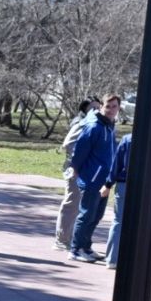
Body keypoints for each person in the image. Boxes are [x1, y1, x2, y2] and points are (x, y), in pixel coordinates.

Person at [103, 133, 151, 269]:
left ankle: (112, 259)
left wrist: (108, 183)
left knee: (119, 221)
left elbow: (117, 162)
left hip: (124, 184)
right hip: (148, 186)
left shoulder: (127, 139)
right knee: (143, 223)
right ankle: (136, 260)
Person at [69, 94, 120, 263]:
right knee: (87, 214)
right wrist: (75, 168)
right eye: (108, 106)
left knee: (96, 215)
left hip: (104, 181)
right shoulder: (94, 126)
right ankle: (75, 249)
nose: (111, 110)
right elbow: (80, 150)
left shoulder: (110, 127)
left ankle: (86, 246)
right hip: (91, 178)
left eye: (114, 106)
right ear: (101, 107)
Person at [54, 97, 102, 251]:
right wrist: (78, 160)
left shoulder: (95, 123)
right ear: (85, 109)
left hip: (87, 170)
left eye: (98, 107)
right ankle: (62, 240)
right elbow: (68, 144)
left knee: (82, 205)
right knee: (72, 203)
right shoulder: (81, 122)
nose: (96, 110)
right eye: (93, 107)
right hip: (74, 168)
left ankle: (73, 239)